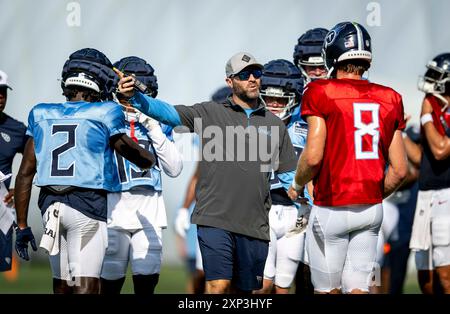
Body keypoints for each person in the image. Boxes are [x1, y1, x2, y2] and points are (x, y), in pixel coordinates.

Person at [116, 51, 298, 294]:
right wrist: (135, 98)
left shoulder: (274, 124)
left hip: (255, 224)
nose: (253, 79)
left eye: (257, 73)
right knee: (217, 285)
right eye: (245, 75)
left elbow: (289, 177)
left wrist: (307, 203)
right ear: (230, 81)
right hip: (214, 220)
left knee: (251, 292)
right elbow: (168, 113)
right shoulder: (209, 113)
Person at [13, 48, 156, 294]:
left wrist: (23, 225)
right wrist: (149, 158)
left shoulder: (41, 112)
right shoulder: (106, 112)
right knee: (87, 286)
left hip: (50, 207)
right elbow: (134, 154)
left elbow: (25, 173)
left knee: (62, 285)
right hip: (87, 206)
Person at [288, 22, 408, 294]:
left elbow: (314, 156)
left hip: (332, 205)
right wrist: (372, 194)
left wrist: (296, 185)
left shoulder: (320, 91)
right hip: (371, 209)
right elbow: (400, 170)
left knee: (327, 290)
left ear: (332, 53)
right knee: (358, 290)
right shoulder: (390, 97)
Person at [100, 56, 183, 295]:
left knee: (146, 287)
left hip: (150, 211)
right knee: (109, 286)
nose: (130, 101)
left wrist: (152, 125)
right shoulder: (105, 116)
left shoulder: (158, 121)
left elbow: (174, 168)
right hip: (112, 210)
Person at [254, 59, 311, 294]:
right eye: (269, 99)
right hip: (262, 210)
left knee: (284, 285)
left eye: (281, 99)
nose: (275, 104)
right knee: (260, 285)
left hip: (296, 212)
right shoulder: (250, 126)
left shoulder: (306, 127)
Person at [174, 86, 231, 294]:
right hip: (212, 213)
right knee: (206, 275)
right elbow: (200, 172)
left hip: (241, 213)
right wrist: (184, 208)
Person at [292, 27, 329, 295]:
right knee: (290, 270)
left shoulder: (346, 98)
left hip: (334, 193)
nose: (316, 73)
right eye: (309, 67)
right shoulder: (291, 99)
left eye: (322, 67)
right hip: (296, 194)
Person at [410, 53, 450, 294]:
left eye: (437, 76)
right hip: (426, 195)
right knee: (425, 273)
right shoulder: (436, 107)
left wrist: (425, 113)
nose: (430, 80)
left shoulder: (430, 108)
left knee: (446, 274)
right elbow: (422, 158)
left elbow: (440, 150)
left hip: (446, 195)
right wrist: (400, 133)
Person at [0, 70, 27, 274]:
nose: (1, 97)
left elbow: (38, 159)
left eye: (3, 92)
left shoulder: (16, 129)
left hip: (1, 210)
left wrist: (18, 187)